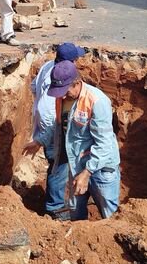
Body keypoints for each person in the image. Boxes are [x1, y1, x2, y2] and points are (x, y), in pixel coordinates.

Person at [23, 61, 120, 221]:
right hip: (78, 164)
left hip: (102, 169)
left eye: (64, 90)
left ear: (77, 83)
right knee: (76, 213)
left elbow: (104, 143)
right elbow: (58, 123)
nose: (61, 95)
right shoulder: (62, 98)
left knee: (109, 217)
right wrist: (40, 140)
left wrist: (87, 172)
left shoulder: (96, 101)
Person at [29, 43, 88, 219]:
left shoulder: (48, 66)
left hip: (45, 124)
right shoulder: (55, 81)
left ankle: (57, 203)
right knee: (59, 166)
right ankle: (55, 208)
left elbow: (33, 87)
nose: (77, 62)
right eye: (75, 59)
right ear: (69, 62)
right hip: (51, 128)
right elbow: (48, 110)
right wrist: (50, 135)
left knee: (58, 166)